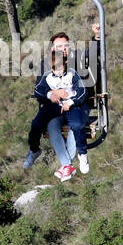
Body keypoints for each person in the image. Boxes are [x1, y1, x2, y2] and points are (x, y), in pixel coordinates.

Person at [24, 33, 89, 179]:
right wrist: (52, 93)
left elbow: (84, 88)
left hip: (76, 103)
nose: (63, 49)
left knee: (76, 126)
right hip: (55, 106)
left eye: (66, 46)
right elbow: (39, 89)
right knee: (45, 125)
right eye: (59, 46)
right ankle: (37, 150)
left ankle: (75, 159)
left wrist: (71, 100)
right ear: (52, 49)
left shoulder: (77, 62)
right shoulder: (47, 68)